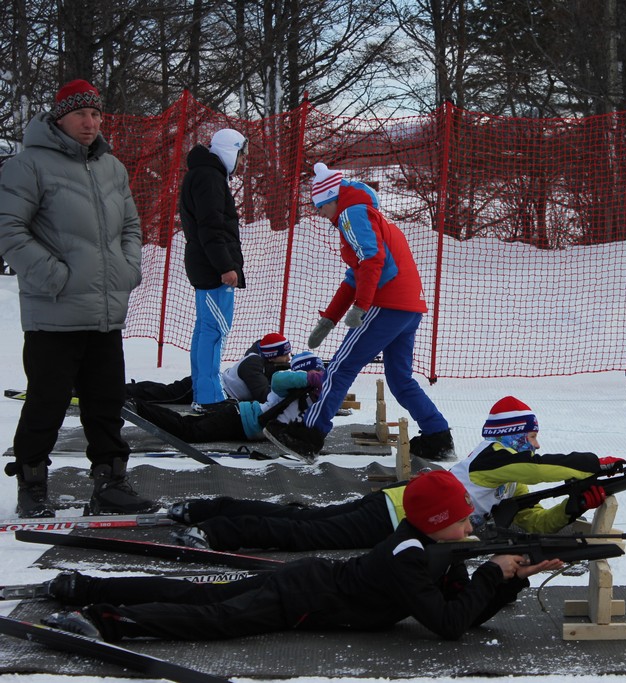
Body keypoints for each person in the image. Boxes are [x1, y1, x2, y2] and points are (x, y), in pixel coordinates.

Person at [40, 470, 562, 643]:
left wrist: (511, 577)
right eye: (463, 516)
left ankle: (86, 588)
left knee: (197, 593)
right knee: (215, 617)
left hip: (311, 582)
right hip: (305, 597)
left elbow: (463, 612)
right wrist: (493, 572)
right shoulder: (409, 554)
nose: (473, 525)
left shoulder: (435, 546)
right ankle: (107, 621)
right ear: (436, 522)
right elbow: (447, 625)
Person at [168, 396, 623, 552]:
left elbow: (530, 520)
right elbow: (545, 467)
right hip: (394, 515)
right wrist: (589, 465)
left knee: (302, 520)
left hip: (400, 509)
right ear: (515, 436)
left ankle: (207, 511)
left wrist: (574, 505)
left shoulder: (510, 475)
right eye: (533, 435)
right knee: (303, 533)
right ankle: (212, 530)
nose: (538, 444)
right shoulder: (493, 458)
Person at [0, 79, 156, 518]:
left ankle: (111, 484)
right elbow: (9, 230)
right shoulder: (27, 166)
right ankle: (32, 485)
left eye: (96, 114)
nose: (90, 122)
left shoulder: (112, 167)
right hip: (54, 312)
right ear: (59, 117)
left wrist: (127, 269)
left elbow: (131, 226)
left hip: (105, 312)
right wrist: (56, 277)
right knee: (46, 403)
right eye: (80, 114)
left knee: (106, 402)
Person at [263, 163, 453, 462]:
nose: (320, 214)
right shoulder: (368, 216)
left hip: (386, 304)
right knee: (400, 379)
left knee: (340, 368)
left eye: (320, 207)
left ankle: (308, 435)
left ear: (331, 199)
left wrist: (362, 306)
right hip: (408, 307)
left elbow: (373, 261)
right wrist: (329, 319)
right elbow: (355, 275)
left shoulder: (352, 214)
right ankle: (438, 436)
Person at [181, 127, 248, 414]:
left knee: (205, 330)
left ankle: (203, 391)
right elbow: (211, 227)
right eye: (242, 155)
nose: (243, 163)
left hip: (203, 263)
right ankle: (209, 398)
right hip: (212, 267)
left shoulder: (205, 174)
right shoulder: (209, 178)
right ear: (229, 151)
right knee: (214, 331)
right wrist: (226, 266)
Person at [127, 352, 324, 445]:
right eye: (317, 371)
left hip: (240, 417)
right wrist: (311, 378)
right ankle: (137, 405)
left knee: (187, 424)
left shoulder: (312, 398)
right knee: (188, 431)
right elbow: (278, 379)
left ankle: (138, 404)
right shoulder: (288, 386)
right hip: (240, 418)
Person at [125, 332, 293, 406]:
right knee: (164, 395)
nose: (288, 358)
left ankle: (129, 389)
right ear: (272, 355)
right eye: (285, 354)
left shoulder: (262, 361)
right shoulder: (253, 364)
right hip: (206, 387)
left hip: (211, 386)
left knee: (165, 391)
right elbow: (263, 394)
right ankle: (126, 391)